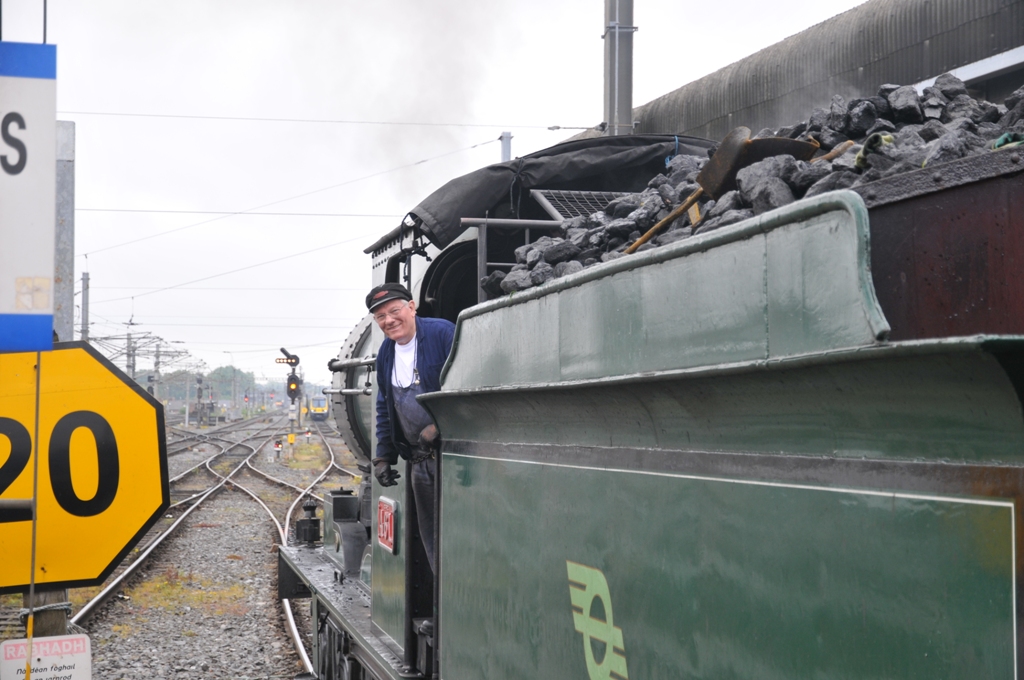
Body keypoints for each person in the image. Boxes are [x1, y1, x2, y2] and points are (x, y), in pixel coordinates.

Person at [368, 282, 454, 574]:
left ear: (412, 307)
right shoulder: (386, 352)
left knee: (454, 533)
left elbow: (466, 384)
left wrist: (440, 424)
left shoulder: (442, 333)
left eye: (394, 311)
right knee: (431, 537)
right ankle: (440, 597)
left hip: (452, 457)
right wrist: (383, 456)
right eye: (381, 316)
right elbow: (385, 405)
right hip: (419, 460)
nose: (389, 320)